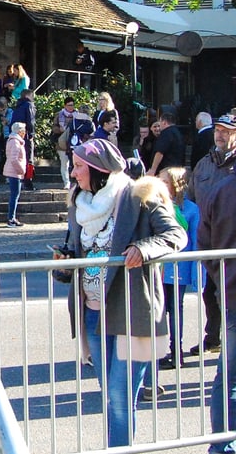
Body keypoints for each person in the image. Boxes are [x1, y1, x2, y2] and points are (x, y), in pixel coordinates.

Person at [59, 138, 184, 448]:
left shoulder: (138, 195)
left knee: (119, 394)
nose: (73, 174)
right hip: (93, 313)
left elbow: (175, 235)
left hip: (131, 311)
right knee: (112, 396)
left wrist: (144, 248)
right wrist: (63, 262)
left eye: (78, 167)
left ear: (99, 170)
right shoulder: (79, 202)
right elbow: (76, 250)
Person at [189, 112, 236, 356]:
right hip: (209, 239)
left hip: (231, 240)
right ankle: (213, 337)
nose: (220, 134)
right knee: (210, 294)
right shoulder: (204, 163)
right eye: (218, 130)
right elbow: (190, 196)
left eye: (227, 131)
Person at [199, 157, 236, 453]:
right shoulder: (222, 190)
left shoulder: (220, 190)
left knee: (228, 377)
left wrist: (221, 277)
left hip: (231, 291)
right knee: (229, 378)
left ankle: (222, 445)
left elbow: (205, 245)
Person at [155, 167, 200, 371]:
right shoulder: (156, 205)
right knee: (158, 311)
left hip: (177, 267)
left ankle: (176, 352)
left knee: (175, 310)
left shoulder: (190, 209)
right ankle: (160, 350)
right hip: (159, 267)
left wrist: (196, 272)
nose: (159, 184)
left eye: (164, 181)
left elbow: (196, 241)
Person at [11, 89, 37, 190]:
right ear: (29, 96)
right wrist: (31, 133)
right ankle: (28, 182)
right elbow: (31, 120)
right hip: (26, 135)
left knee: (19, 157)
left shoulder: (17, 106)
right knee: (29, 158)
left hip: (16, 135)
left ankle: (19, 181)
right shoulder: (29, 105)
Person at [4, 122, 28, 228]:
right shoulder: (15, 142)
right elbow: (14, 159)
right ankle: (11, 218)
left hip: (13, 171)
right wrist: (21, 170)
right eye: (24, 130)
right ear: (20, 131)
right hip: (14, 172)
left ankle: (12, 218)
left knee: (15, 195)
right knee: (14, 195)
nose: (25, 132)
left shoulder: (14, 140)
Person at [148, 109, 185, 175]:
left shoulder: (166, 133)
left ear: (164, 122)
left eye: (160, 122)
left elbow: (160, 152)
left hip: (165, 171)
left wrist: (153, 169)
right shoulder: (179, 133)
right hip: (177, 170)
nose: (159, 126)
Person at [55, 97, 77, 187]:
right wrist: (59, 129)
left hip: (74, 142)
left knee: (75, 163)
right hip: (62, 142)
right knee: (64, 163)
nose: (71, 107)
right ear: (65, 105)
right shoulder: (59, 115)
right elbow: (54, 128)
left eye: (72, 105)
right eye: (69, 105)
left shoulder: (77, 115)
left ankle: (75, 182)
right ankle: (66, 183)